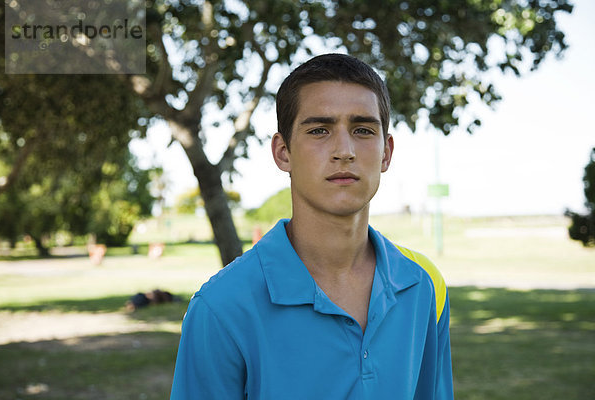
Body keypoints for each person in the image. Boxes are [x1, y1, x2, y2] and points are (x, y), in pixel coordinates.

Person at [170, 53, 454, 399]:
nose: (344, 151)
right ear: (283, 152)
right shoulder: (221, 307)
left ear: (386, 153)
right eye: (320, 130)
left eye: (363, 130)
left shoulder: (421, 286)